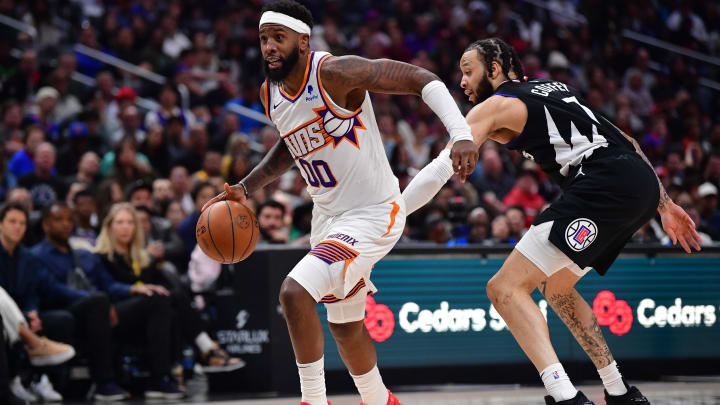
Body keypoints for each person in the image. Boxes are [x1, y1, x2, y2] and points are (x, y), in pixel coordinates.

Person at [203, 1, 477, 404]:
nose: (269, 47)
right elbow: (289, 145)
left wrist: (462, 133)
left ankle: (313, 399)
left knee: (294, 293)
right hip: (327, 216)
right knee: (345, 326)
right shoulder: (270, 93)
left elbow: (422, 78)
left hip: (372, 214)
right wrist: (247, 187)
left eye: (278, 38)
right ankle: (380, 399)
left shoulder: (335, 72)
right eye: (263, 39)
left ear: (302, 40)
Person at [447, 37, 702, 405]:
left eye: (467, 71)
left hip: (603, 184)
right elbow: (627, 139)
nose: (463, 81)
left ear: (495, 69)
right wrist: (664, 203)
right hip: (638, 182)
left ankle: (565, 397)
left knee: (504, 289)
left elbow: (453, 150)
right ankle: (619, 391)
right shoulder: (556, 88)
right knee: (557, 288)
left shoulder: (498, 103)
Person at [32, 202, 132, 401]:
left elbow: (99, 284)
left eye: (70, 220)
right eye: (59, 219)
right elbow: (53, 289)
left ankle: (140, 377)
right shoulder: (37, 255)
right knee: (97, 302)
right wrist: (94, 298)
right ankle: (104, 383)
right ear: (46, 225)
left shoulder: (79, 254)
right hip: (54, 308)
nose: (66, 224)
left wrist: (128, 291)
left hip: (86, 307)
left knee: (108, 303)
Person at [93, 203, 185, 400]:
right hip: (113, 311)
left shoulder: (140, 257)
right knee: (156, 300)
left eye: (129, 222)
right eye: (120, 222)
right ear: (110, 227)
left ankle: (169, 372)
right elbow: (106, 287)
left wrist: (156, 286)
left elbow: (156, 281)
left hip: (142, 314)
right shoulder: (100, 256)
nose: (125, 227)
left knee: (172, 298)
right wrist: (135, 288)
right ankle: (160, 378)